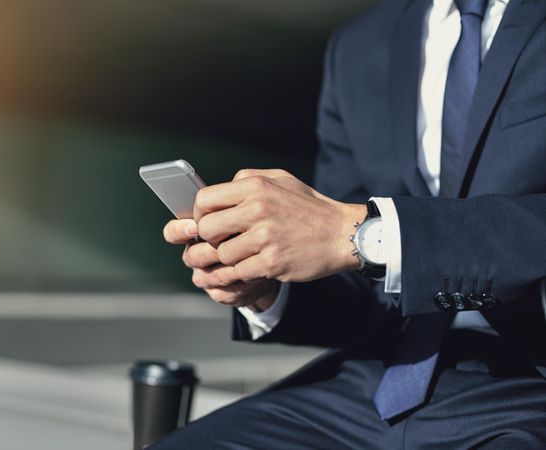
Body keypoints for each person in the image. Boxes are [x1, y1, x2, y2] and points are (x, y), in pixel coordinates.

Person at [154, 0, 546, 447]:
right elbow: (363, 288)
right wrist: (266, 286)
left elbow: (354, 236)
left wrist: (365, 234)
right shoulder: (359, 45)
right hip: (380, 383)